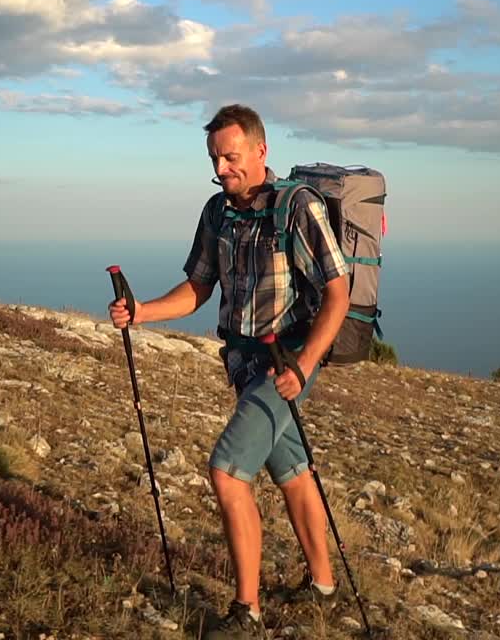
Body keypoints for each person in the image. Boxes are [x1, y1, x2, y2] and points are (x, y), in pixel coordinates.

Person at [108, 104, 351, 639]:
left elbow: (338, 293)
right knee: (291, 470)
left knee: (226, 470)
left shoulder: (296, 207)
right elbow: (198, 286)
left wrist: (305, 365)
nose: (222, 168)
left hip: (287, 361)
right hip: (242, 362)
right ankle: (325, 587)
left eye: (232, 156)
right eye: (216, 158)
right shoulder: (217, 211)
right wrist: (142, 312)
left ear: (261, 151)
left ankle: (247, 612)